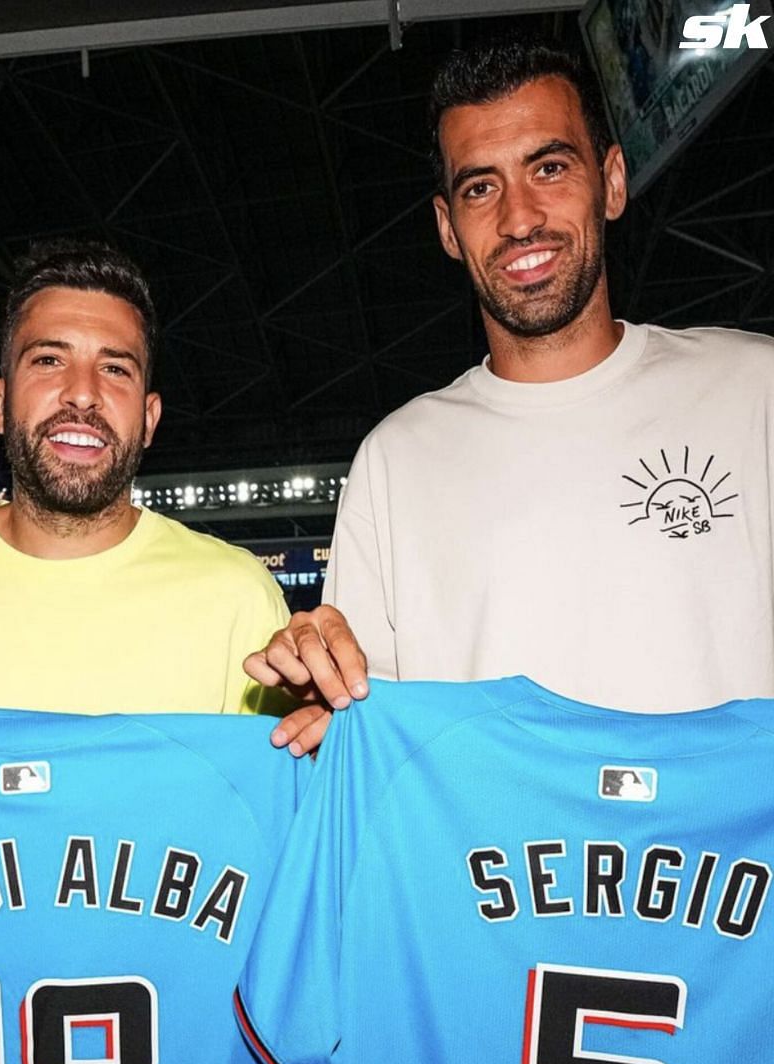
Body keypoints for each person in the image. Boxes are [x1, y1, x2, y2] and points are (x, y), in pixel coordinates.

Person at [246, 39, 774, 756]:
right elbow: (373, 733)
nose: (520, 218)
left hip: (732, 869)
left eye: (549, 168)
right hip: (493, 871)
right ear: (447, 229)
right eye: (480, 187)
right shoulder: (396, 461)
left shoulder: (754, 390)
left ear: (611, 182)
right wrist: (325, 701)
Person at [0, 240, 290, 713]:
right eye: (49, 360)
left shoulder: (237, 595)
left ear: (149, 419)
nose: (83, 394)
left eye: (114, 368)